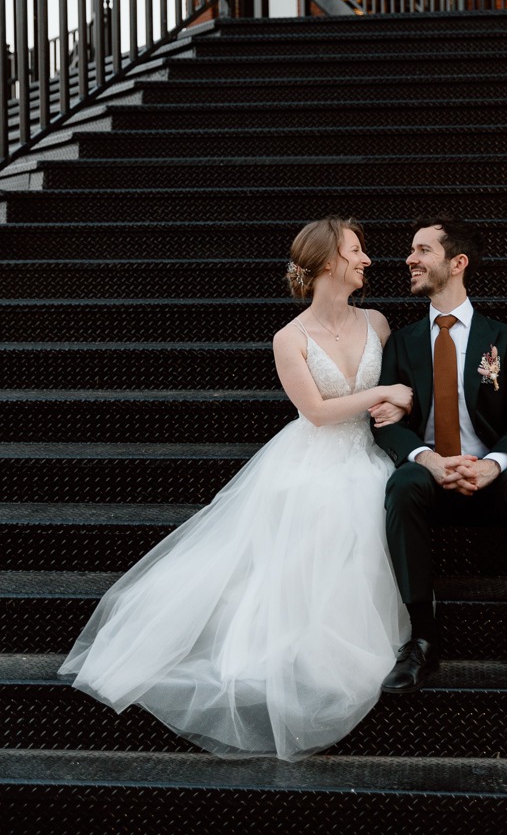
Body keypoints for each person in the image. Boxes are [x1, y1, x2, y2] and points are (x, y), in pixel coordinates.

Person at [58, 218, 411, 762]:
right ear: (325, 264)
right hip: (313, 455)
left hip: (365, 455)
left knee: (370, 514)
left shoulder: (379, 322)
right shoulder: (289, 338)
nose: (367, 259)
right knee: (319, 515)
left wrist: (396, 402)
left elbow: (398, 397)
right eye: (356, 250)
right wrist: (383, 390)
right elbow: (315, 412)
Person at [371, 218, 507, 694]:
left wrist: (492, 465)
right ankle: (421, 640)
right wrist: (428, 459)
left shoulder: (502, 337)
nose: (409, 259)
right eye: (412, 250)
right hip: (430, 475)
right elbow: (387, 424)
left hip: (489, 475)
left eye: (422, 250)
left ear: (457, 262)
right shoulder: (403, 342)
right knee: (401, 487)